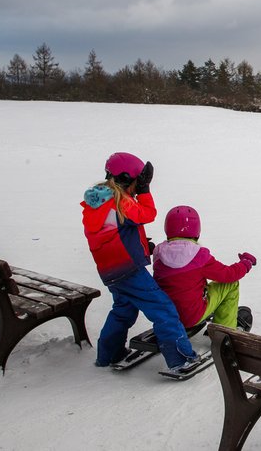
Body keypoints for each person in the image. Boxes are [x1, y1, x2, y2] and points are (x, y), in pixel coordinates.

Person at [81, 152, 200, 371]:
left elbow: (113, 235)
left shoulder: (98, 203)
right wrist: (145, 191)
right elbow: (147, 214)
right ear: (128, 180)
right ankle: (181, 359)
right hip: (129, 271)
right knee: (163, 309)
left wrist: (142, 246)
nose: (139, 187)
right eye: (138, 182)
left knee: (123, 310)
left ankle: (109, 354)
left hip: (110, 271)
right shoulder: (121, 203)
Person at [153, 205, 256, 330]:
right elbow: (228, 275)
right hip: (191, 316)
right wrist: (245, 263)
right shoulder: (199, 255)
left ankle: (208, 308)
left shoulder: (158, 253)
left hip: (165, 315)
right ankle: (225, 331)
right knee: (231, 284)